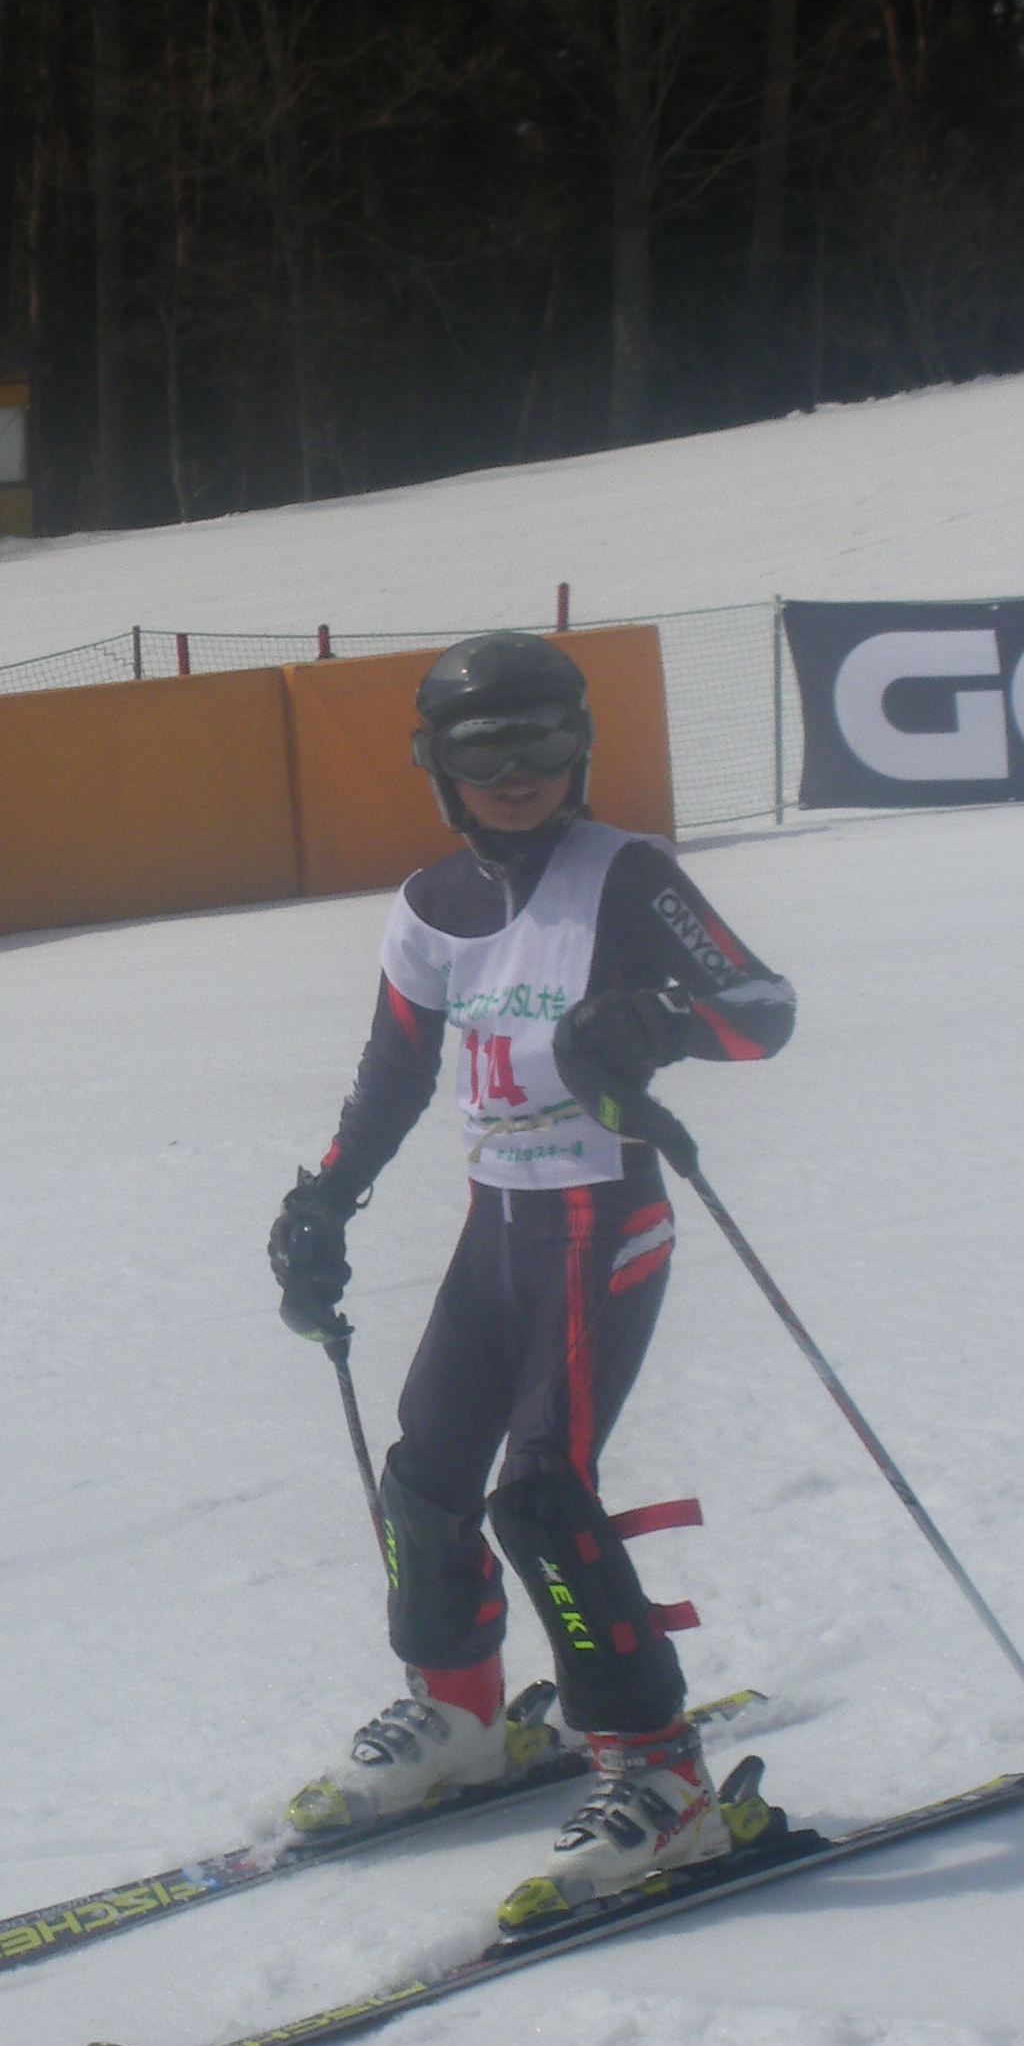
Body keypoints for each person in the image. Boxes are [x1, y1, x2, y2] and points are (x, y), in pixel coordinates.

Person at [266, 632, 795, 1906]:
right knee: (428, 1474)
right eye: (483, 749)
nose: (515, 774)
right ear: (435, 764)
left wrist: (662, 1023)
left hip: (604, 1221)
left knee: (544, 1495)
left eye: (542, 743)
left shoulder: (626, 875)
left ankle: (661, 1777)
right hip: (498, 1223)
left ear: (583, 749)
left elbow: (761, 1010)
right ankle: (459, 1713)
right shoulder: (430, 905)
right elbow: (396, 1069)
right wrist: (324, 1196)